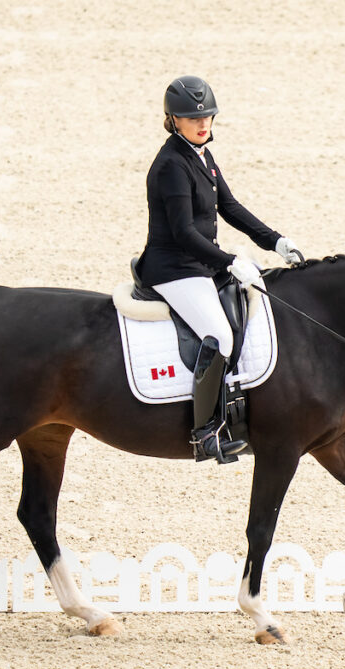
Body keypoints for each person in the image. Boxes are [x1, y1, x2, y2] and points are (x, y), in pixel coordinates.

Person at [135, 75, 303, 462]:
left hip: (200, 263)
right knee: (219, 335)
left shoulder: (201, 155)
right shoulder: (171, 165)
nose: (202, 123)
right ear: (173, 120)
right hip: (174, 269)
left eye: (208, 116)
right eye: (192, 118)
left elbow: (229, 207)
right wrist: (229, 261)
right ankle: (204, 431)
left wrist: (275, 241)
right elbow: (183, 232)